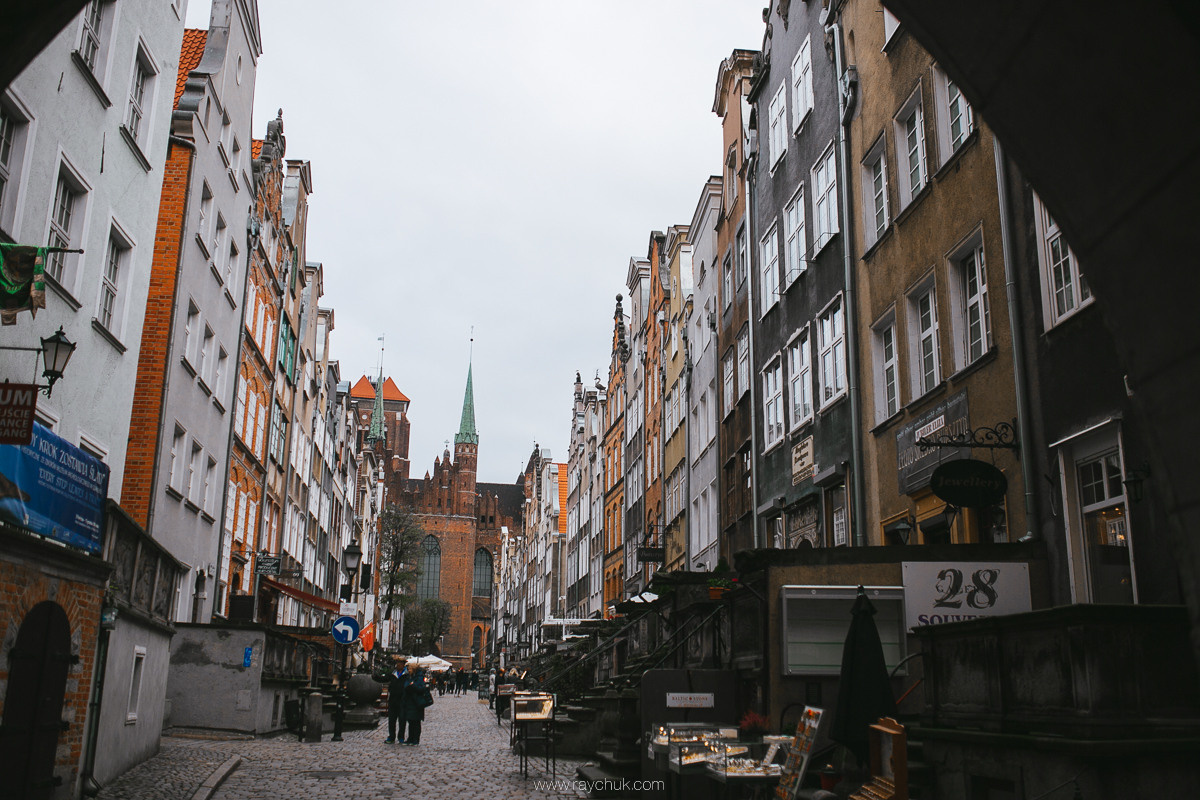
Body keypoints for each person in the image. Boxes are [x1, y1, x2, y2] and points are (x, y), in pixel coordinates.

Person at [373, 656, 408, 744]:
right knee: (392, 720)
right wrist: (375, 677)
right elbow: (384, 679)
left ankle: (401, 737)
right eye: (397, 664)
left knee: (402, 720)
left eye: (400, 664)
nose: (398, 665)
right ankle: (391, 736)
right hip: (393, 700)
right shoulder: (393, 674)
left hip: (403, 700)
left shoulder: (407, 675)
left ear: (403, 665)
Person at [398, 665, 433, 745]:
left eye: (409, 669)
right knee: (411, 721)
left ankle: (415, 739)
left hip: (417, 702)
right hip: (409, 701)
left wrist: (412, 686)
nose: (408, 670)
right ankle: (410, 738)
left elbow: (421, 688)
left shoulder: (419, 677)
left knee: (416, 722)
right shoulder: (409, 677)